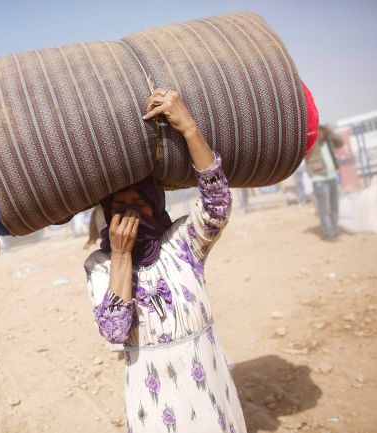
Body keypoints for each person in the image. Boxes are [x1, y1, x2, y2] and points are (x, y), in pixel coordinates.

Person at [85, 89, 246, 433]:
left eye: (139, 202)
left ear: (156, 204)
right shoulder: (100, 265)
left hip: (207, 393)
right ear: (107, 217)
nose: (131, 212)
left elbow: (217, 204)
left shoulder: (181, 241)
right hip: (154, 407)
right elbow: (114, 330)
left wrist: (188, 127)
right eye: (120, 206)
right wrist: (121, 256)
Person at [305, 124, 344, 240]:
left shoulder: (329, 139)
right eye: (319, 132)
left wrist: (331, 132)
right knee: (324, 208)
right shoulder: (310, 142)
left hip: (332, 177)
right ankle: (328, 232)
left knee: (334, 207)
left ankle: (334, 229)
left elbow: (340, 143)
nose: (321, 134)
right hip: (319, 178)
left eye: (323, 132)